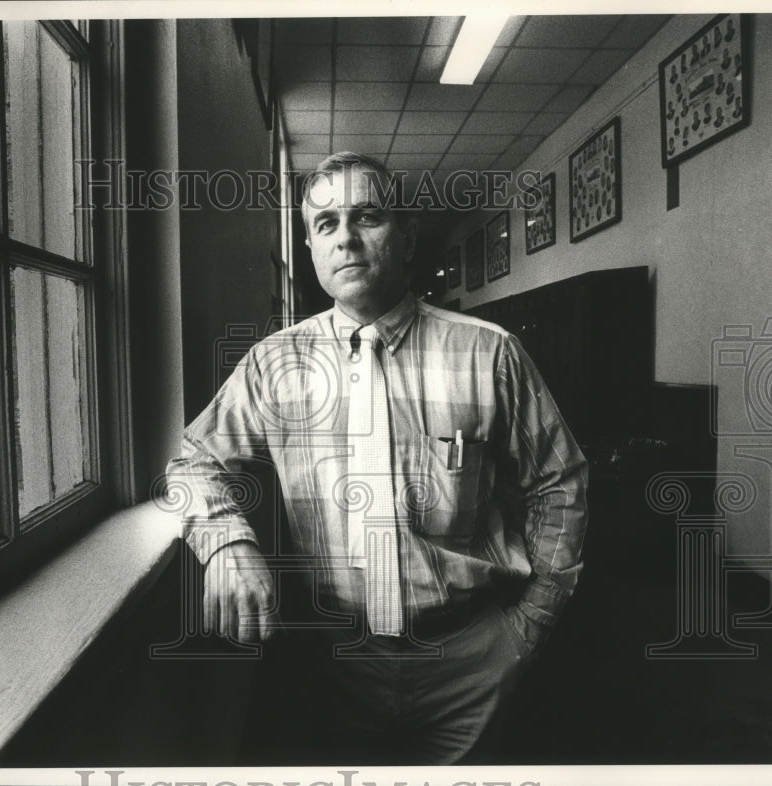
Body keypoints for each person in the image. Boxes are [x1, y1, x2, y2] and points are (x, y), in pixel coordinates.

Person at [165, 152, 588, 764]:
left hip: (473, 656)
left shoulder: (491, 354)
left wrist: (531, 624)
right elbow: (193, 462)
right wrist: (227, 544)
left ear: (407, 236)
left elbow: (561, 482)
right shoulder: (273, 365)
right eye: (326, 224)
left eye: (368, 216)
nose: (347, 239)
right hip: (332, 665)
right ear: (310, 248)